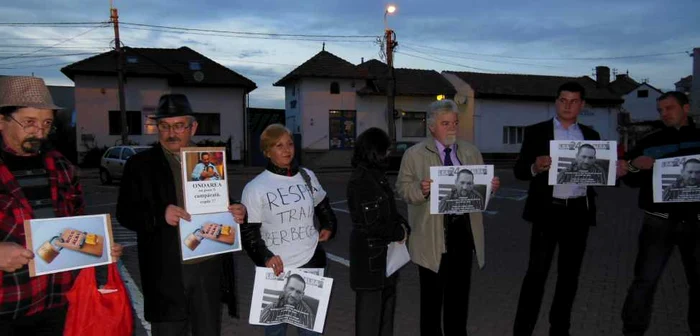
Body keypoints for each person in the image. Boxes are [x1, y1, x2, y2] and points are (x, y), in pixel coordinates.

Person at [0, 76, 122, 335]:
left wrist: (98, 245)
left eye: (47, 123)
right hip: (5, 305)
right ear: (1, 120)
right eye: (29, 123)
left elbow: (74, 224)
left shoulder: (63, 167)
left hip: (56, 302)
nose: (40, 132)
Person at [116, 93, 246, 336]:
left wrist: (237, 209)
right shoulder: (140, 165)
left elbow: (219, 201)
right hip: (166, 269)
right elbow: (124, 213)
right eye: (164, 126)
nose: (171, 133)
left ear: (193, 127)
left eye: (178, 126)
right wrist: (159, 214)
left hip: (207, 265)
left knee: (207, 331)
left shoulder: (210, 160)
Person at [512, 81, 627, 336]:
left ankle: (560, 328)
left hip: (577, 213)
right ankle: (522, 330)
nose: (568, 105)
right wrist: (534, 166)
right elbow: (519, 171)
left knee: (569, 277)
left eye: (574, 101)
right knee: (536, 275)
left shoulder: (591, 135)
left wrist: (615, 172)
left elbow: (600, 176)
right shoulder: (536, 132)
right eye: (563, 100)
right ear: (556, 102)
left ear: (582, 105)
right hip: (547, 212)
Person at [396, 99, 500, 336]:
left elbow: (480, 200)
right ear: (431, 126)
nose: (452, 128)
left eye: (455, 123)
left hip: (463, 234)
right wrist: (420, 190)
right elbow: (402, 189)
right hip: (432, 237)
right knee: (431, 304)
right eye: (445, 123)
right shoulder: (414, 154)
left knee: (459, 300)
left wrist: (489, 189)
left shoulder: (470, 151)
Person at [240, 123, 337, 336]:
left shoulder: (306, 175)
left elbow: (322, 204)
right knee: (275, 331)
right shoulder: (255, 187)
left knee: (310, 331)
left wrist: (329, 225)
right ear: (267, 152)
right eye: (279, 145)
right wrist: (265, 257)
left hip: (310, 260)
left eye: (290, 144)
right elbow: (249, 233)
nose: (287, 150)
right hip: (277, 268)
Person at [619, 91, 700, 336]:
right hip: (658, 222)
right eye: (660, 110)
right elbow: (630, 179)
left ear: (686, 108)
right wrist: (634, 166)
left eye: (669, 108)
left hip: (697, 223)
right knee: (644, 281)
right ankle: (633, 331)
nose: (664, 114)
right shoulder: (649, 141)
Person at [347, 127, 409, 336]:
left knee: (385, 319)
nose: (389, 154)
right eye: (386, 150)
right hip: (370, 262)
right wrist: (398, 232)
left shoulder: (377, 176)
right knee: (369, 321)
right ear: (373, 151)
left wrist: (403, 225)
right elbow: (370, 224)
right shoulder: (361, 181)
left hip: (385, 259)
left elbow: (390, 211)